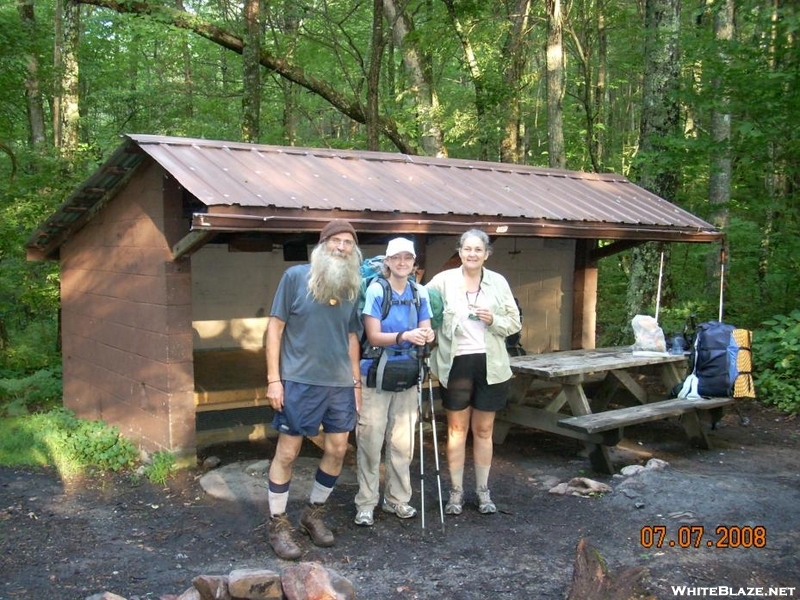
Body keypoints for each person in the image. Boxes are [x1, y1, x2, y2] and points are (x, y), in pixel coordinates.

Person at [264, 219, 364, 560]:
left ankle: (313, 514)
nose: (342, 247)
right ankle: (278, 523)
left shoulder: (352, 285)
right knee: (288, 453)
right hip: (299, 382)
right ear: (322, 246)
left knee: (337, 450)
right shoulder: (295, 278)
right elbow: (275, 329)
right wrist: (273, 379)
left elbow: (352, 338)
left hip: (339, 385)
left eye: (348, 243)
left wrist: (356, 384)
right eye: (336, 241)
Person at [425, 229, 521, 515]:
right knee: (456, 430)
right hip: (455, 364)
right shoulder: (442, 281)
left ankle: (482, 491)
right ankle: (456, 492)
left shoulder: (498, 282)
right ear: (460, 251)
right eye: (467, 249)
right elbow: (421, 305)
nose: (472, 254)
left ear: (486, 254)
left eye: (478, 249)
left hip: (491, 365)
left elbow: (514, 323)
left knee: (484, 429)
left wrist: (494, 320)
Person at [354, 238, 435, 527]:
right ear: (387, 262)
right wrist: (405, 336)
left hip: (408, 370)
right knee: (370, 439)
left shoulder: (419, 291)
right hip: (376, 371)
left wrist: (426, 336)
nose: (402, 263)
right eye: (396, 258)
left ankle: (397, 499)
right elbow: (373, 336)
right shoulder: (377, 289)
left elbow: (427, 329)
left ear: (414, 263)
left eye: (408, 258)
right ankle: (366, 503)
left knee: (403, 441)